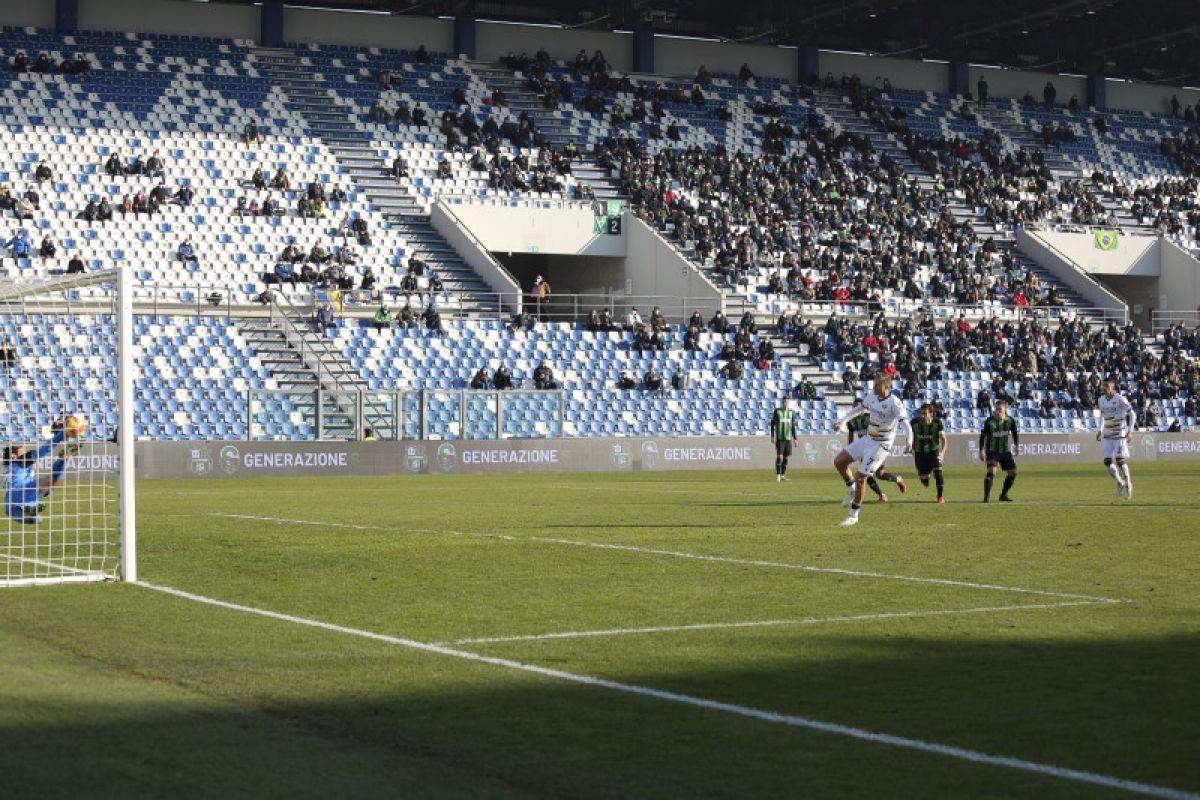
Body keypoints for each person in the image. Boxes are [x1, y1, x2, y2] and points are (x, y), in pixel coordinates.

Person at [833, 374, 912, 526]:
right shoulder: (872, 396)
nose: (874, 388)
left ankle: (854, 515)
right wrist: (841, 421)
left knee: (862, 477)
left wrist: (909, 441)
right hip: (868, 439)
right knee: (839, 462)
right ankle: (851, 489)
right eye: (874, 385)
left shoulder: (895, 403)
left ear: (886, 387)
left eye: (877, 385)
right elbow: (858, 409)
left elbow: (906, 424)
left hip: (881, 445)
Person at [3, 420, 77, 525]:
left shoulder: (10, 468)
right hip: (20, 493)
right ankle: (63, 458)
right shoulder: (18, 463)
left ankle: (28, 511)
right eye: (23, 452)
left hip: (12, 504)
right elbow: (44, 450)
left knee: (37, 518)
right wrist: (62, 434)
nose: (26, 454)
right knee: (50, 481)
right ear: (13, 456)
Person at [845, 397, 905, 502]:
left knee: (880, 474)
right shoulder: (851, 422)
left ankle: (898, 479)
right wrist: (850, 449)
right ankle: (881, 495)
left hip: (877, 447)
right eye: (854, 406)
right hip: (864, 449)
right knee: (864, 474)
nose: (856, 408)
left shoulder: (871, 417)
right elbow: (851, 435)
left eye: (858, 406)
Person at [1097, 378, 1135, 500]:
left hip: (1119, 433)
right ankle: (1120, 482)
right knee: (1107, 462)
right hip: (1107, 435)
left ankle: (1129, 484)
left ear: (1112, 386)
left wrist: (1130, 431)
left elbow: (1132, 414)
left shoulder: (1120, 399)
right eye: (1103, 386)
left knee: (1119, 460)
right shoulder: (1101, 400)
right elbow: (1102, 415)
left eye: (1107, 386)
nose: (1104, 388)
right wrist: (1100, 430)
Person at [979, 400, 1019, 503]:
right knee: (992, 471)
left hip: (1005, 451)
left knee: (1013, 473)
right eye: (996, 409)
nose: (997, 411)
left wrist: (1016, 445)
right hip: (992, 451)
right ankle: (986, 497)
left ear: (1005, 409)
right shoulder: (989, 421)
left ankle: (1003, 495)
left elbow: (1014, 433)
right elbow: (982, 437)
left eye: (1000, 409)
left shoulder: (1010, 421)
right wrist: (981, 450)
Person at [911, 403, 948, 504]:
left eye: (925, 413)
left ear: (931, 413)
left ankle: (940, 497)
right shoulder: (914, 423)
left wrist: (942, 453)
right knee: (923, 478)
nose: (923, 416)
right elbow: (909, 434)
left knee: (938, 473)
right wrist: (909, 444)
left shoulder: (937, 423)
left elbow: (944, 439)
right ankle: (926, 476)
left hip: (933, 451)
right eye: (921, 413)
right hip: (919, 453)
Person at [769, 397, 798, 482]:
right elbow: (772, 424)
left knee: (786, 457)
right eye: (784, 402)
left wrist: (795, 438)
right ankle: (778, 475)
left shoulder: (792, 412)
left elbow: (793, 427)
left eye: (787, 402)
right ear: (782, 402)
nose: (786, 403)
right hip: (780, 437)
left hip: (788, 438)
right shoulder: (777, 411)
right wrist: (772, 436)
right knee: (779, 456)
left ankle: (782, 475)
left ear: (789, 402)